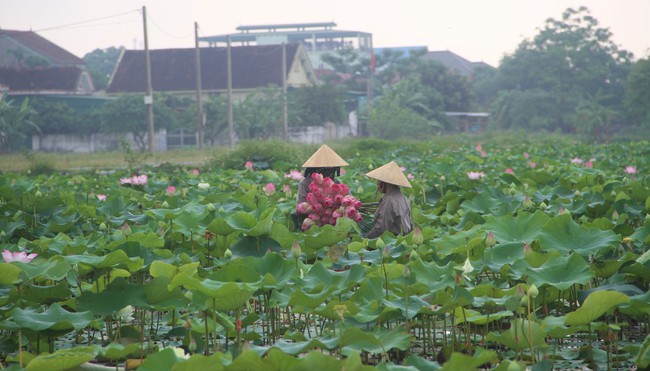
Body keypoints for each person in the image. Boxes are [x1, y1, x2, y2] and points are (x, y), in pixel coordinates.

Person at [292, 144, 349, 228]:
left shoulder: (337, 183)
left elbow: (349, 201)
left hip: (333, 223)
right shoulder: (305, 183)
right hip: (311, 222)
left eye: (331, 169)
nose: (328, 172)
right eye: (325, 169)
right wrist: (318, 207)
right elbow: (301, 207)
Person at [363, 161, 414, 239]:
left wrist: (365, 239)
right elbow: (411, 224)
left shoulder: (389, 200)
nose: (377, 184)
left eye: (379, 181)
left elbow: (380, 229)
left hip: (391, 243)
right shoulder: (404, 198)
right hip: (403, 241)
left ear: (385, 183)